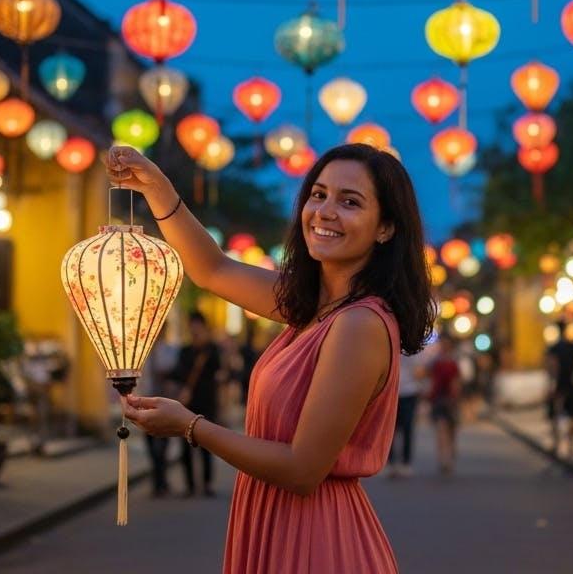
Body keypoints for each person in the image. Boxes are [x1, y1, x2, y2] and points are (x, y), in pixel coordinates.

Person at [108, 142, 434, 573]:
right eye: (318, 194)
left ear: (386, 228)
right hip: (274, 522)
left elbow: (302, 470)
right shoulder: (313, 308)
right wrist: (157, 188)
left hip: (317, 540)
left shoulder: (358, 325)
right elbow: (213, 270)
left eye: (349, 201)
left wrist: (190, 426)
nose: (325, 211)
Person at [173, 311, 223, 497]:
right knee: (185, 446)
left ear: (203, 326)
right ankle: (190, 485)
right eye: (191, 324)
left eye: (197, 324)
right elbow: (179, 373)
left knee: (207, 444)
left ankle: (208, 483)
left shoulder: (212, 349)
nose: (194, 328)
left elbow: (219, 374)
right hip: (187, 404)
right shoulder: (185, 350)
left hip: (207, 401)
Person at [141, 337, 180, 498]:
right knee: (151, 445)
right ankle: (158, 481)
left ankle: (161, 480)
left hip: (164, 402)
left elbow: (173, 373)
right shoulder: (142, 352)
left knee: (162, 445)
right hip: (145, 400)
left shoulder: (169, 350)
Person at [388, 343, 430, 478]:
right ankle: (404, 463)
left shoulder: (391, 344)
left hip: (399, 391)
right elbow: (420, 372)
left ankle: (393, 463)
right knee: (406, 429)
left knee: (392, 429)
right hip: (407, 392)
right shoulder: (415, 348)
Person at [546, 322, 573, 457]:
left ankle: (556, 444)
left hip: (559, 385)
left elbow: (552, 365)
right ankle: (571, 447)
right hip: (572, 385)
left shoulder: (555, 347)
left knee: (555, 414)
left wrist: (552, 383)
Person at [427, 333, 461, 475]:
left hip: (451, 400)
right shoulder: (435, 361)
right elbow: (429, 379)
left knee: (451, 431)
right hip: (438, 399)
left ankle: (450, 454)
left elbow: (457, 381)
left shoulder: (455, 361)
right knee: (441, 430)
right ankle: (443, 459)